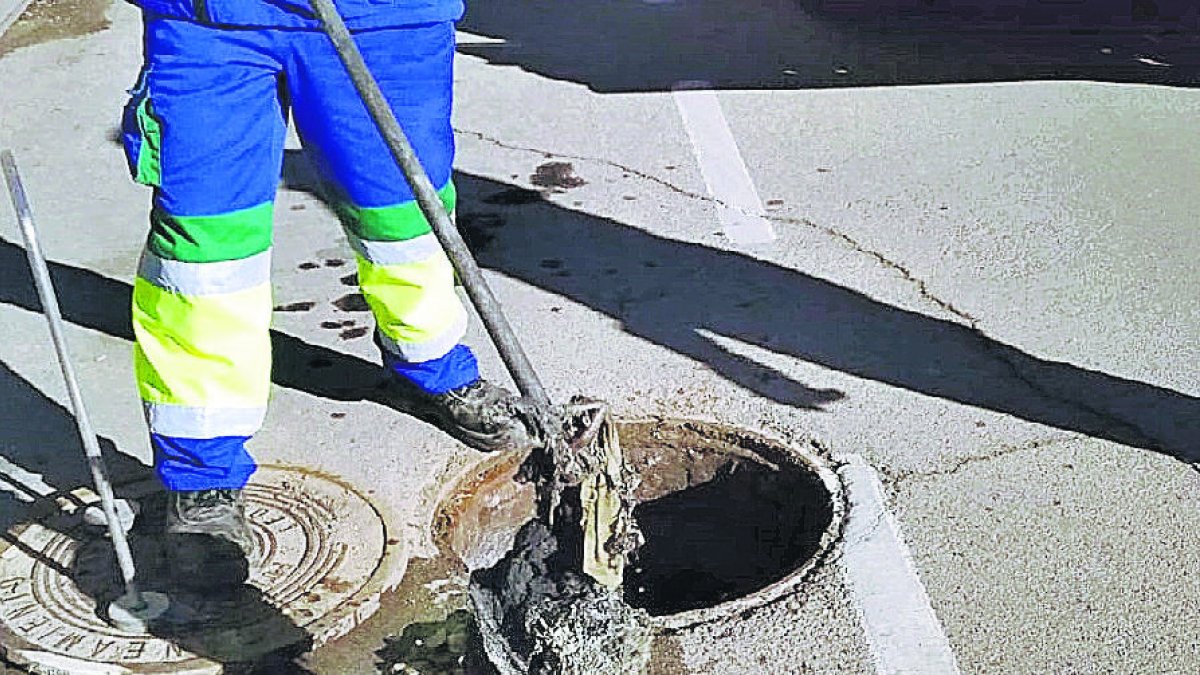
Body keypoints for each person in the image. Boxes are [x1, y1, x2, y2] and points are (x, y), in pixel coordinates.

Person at [119, 0, 532, 586]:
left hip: (383, 18)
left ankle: (432, 362)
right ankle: (201, 470)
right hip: (207, 23)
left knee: (406, 220)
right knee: (205, 258)